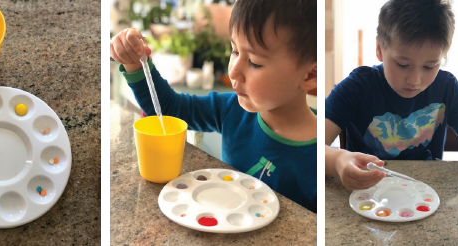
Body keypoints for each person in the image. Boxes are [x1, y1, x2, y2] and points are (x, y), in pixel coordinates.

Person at [110, 0, 317, 212]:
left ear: (310, 75)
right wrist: (135, 63)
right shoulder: (231, 110)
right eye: (235, 51)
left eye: (254, 62)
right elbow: (168, 108)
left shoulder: (324, 155)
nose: (233, 71)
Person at [325, 0, 458, 208]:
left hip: (425, 201)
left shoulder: (446, 87)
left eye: (429, 66)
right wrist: (337, 160)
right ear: (379, 49)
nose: (415, 80)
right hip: (367, 202)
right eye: (403, 64)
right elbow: (314, 145)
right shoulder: (357, 87)